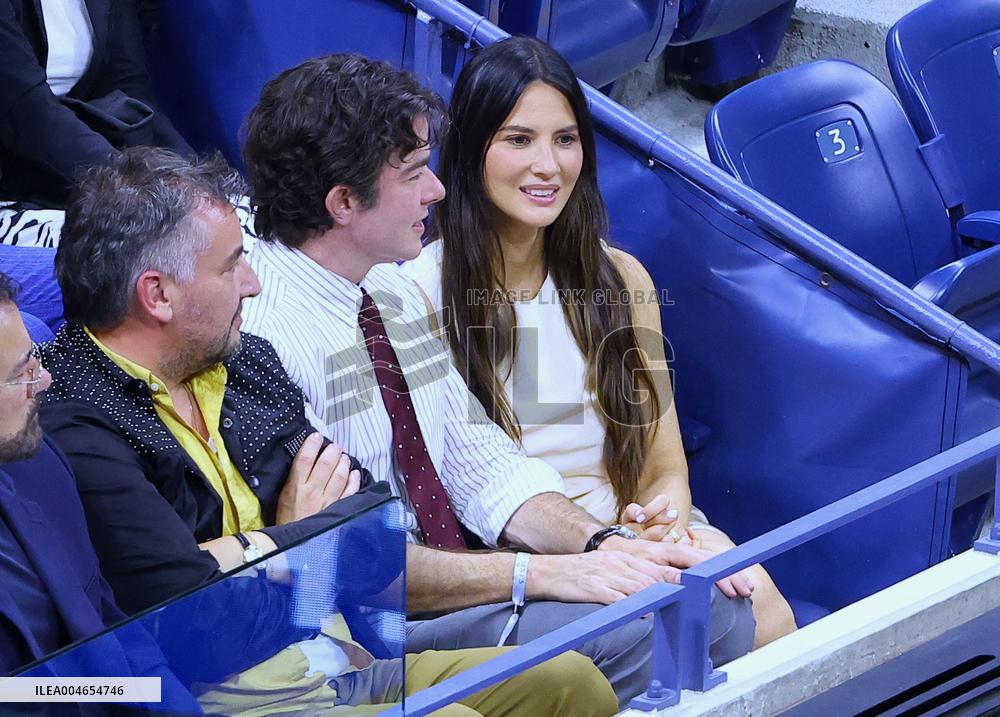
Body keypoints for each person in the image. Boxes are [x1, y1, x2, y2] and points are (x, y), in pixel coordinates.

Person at [240, 53, 757, 708]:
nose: (435, 189)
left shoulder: (385, 295)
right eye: (411, 174)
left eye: (565, 139)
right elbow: (356, 563)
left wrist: (610, 546)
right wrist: (553, 572)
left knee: (713, 604)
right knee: (676, 622)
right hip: (377, 623)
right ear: (343, 202)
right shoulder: (268, 339)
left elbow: (485, 466)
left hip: (458, 578)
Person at [36, 147, 618, 717]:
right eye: (230, 264)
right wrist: (299, 535)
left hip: (338, 667)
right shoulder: (78, 422)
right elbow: (202, 632)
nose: (252, 283)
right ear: (157, 294)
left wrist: (258, 552)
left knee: (568, 681)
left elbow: (375, 530)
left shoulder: (244, 363)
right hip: (239, 704)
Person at [402, 36, 798, 648]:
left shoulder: (622, 278)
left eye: (565, 139)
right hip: (531, 557)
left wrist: (663, 524)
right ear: (472, 149)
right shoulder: (420, 295)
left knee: (764, 606)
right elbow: (456, 494)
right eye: (518, 139)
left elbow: (662, 466)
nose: (548, 165)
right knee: (678, 628)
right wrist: (609, 550)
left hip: (633, 532)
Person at [0, 0, 193, 247]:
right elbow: (24, 109)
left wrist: (194, 174)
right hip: (14, 186)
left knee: (223, 214)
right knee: (162, 244)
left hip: (78, 171)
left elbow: (129, 87)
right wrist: (139, 183)